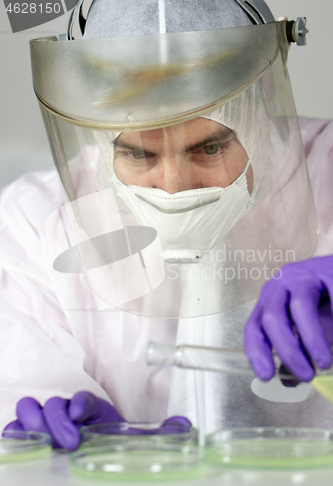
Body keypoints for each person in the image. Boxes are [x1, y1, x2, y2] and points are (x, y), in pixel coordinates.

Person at [1, 0, 333, 450]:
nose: (174, 188)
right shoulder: (34, 224)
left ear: (262, 100)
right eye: (139, 154)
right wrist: (62, 432)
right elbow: (21, 387)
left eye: (210, 148)